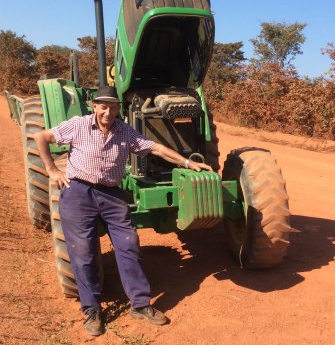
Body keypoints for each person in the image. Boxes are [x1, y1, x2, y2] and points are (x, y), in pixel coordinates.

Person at [34, 86, 212, 336]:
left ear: (119, 108)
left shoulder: (125, 131)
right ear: (95, 106)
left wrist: (188, 162)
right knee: (84, 252)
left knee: (129, 244)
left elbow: (156, 148)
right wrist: (52, 169)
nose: (108, 112)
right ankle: (92, 310)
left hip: (112, 195)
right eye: (103, 106)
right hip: (78, 193)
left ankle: (140, 304)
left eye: (113, 107)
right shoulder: (78, 125)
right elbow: (41, 137)